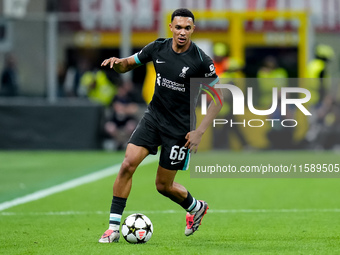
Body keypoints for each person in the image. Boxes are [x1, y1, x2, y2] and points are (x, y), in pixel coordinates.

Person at [98, 8, 222, 243]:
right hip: (153, 118)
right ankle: (113, 228)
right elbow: (128, 64)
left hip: (180, 129)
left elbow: (218, 100)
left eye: (187, 28)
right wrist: (117, 64)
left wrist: (199, 131)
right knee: (127, 164)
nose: (182, 32)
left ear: (193, 29)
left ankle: (196, 207)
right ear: (171, 28)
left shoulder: (201, 61)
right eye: (178, 27)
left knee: (163, 186)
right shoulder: (157, 48)